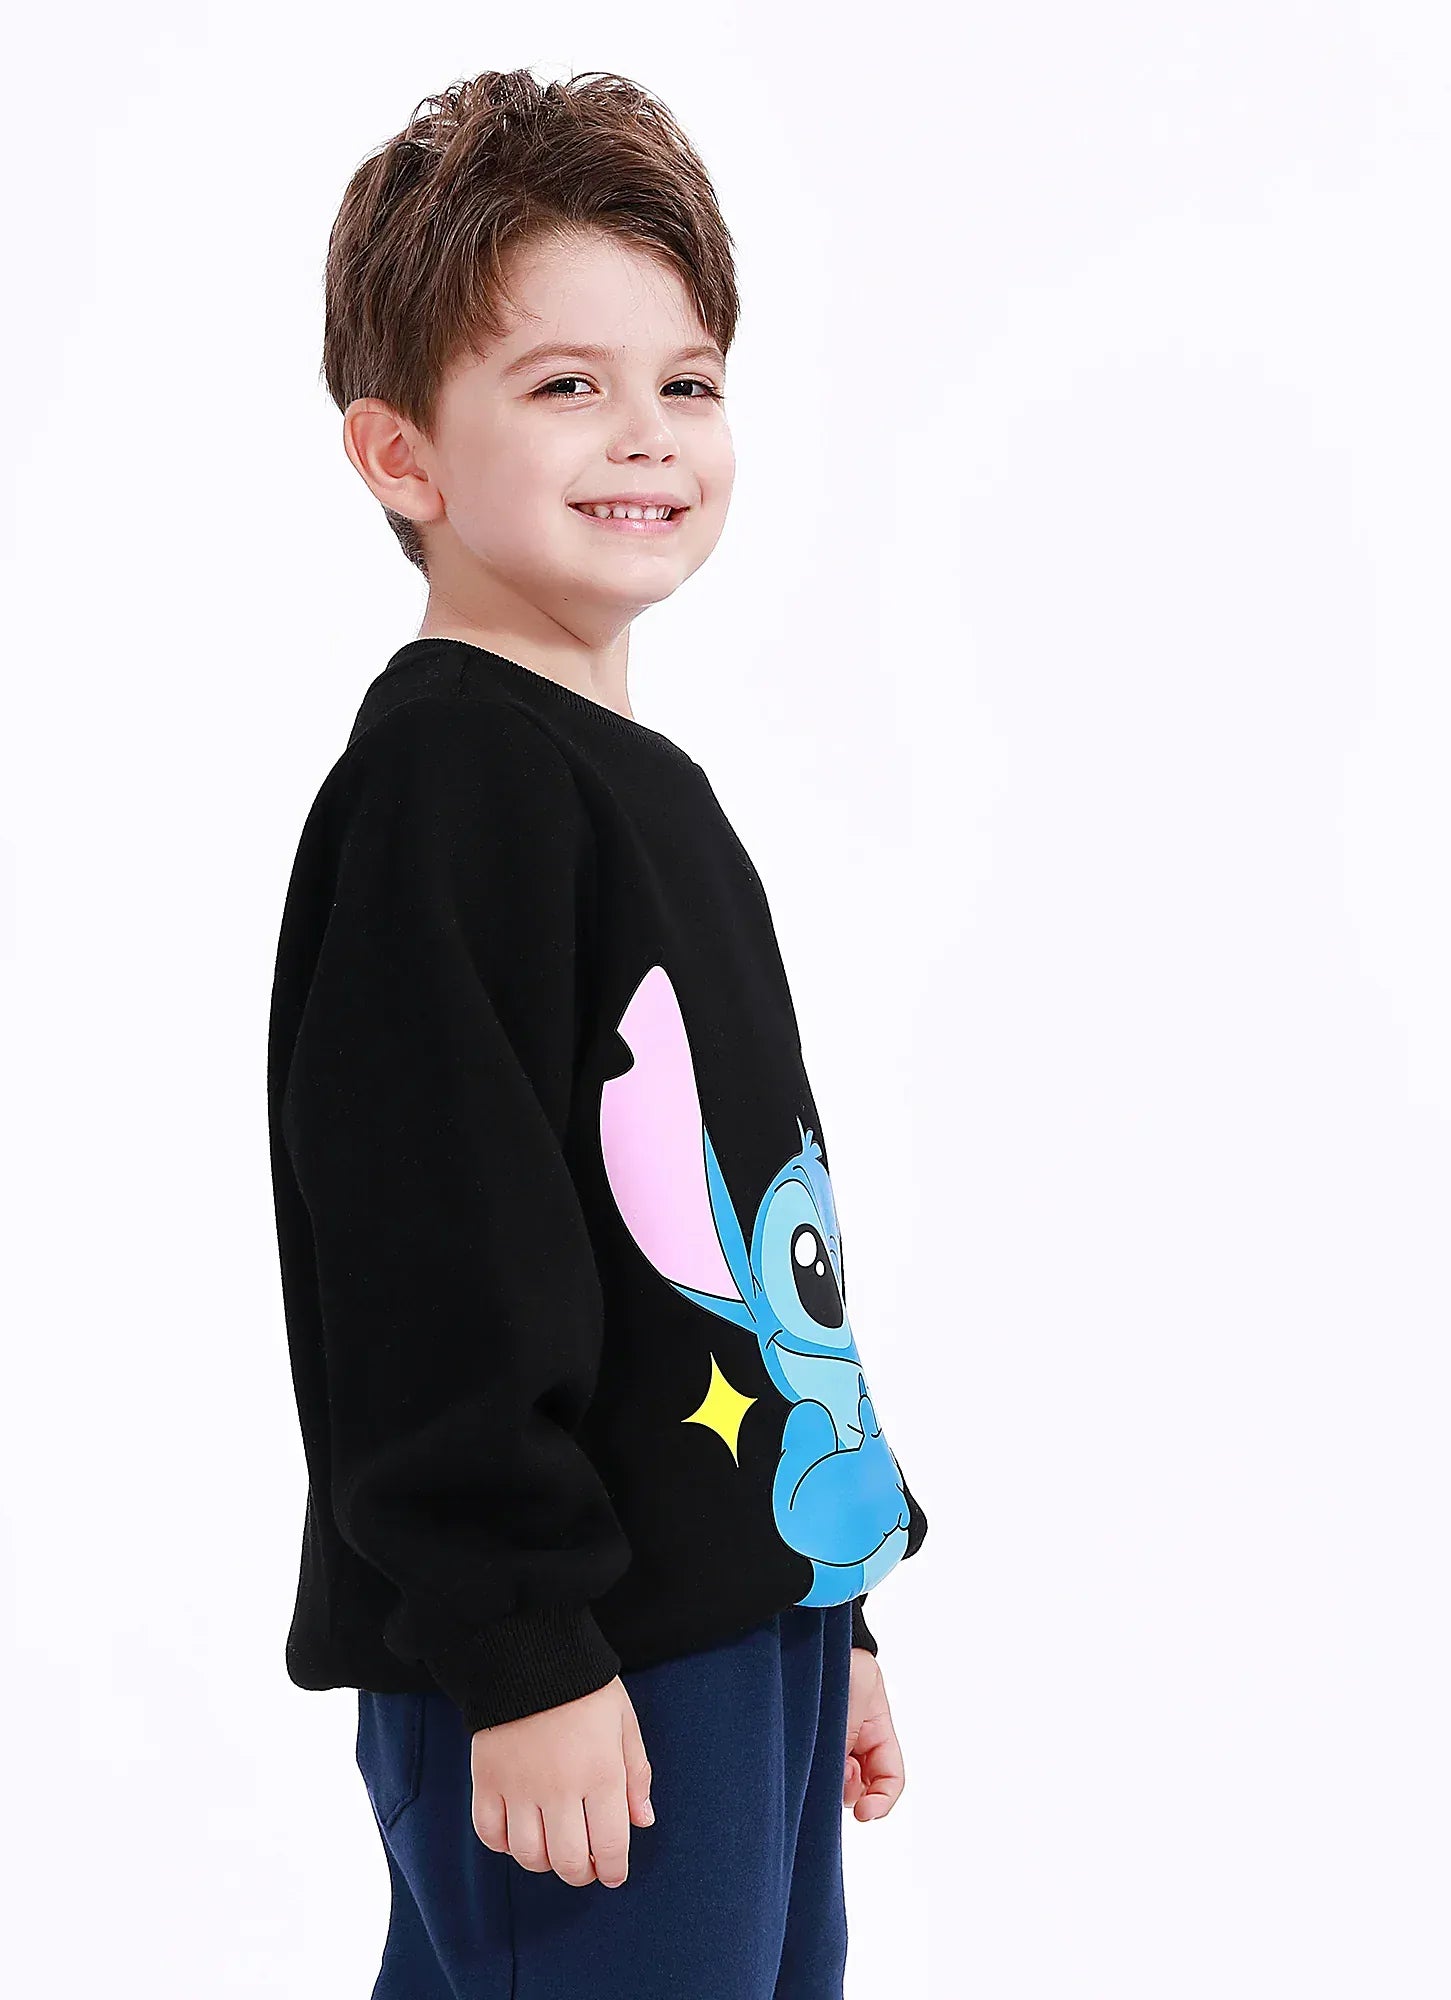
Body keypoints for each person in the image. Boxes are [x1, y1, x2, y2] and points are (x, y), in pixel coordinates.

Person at [265, 67, 929, 2000]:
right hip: (583, 1666)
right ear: (401, 454)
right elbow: (428, 1256)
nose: (646, 433)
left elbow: (745, 1240)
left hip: (728, 1629)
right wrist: (519, 1645)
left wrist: (831, 1602)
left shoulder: (646, 791)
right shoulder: (446, 787)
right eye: (567, 384)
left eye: (687, 382)